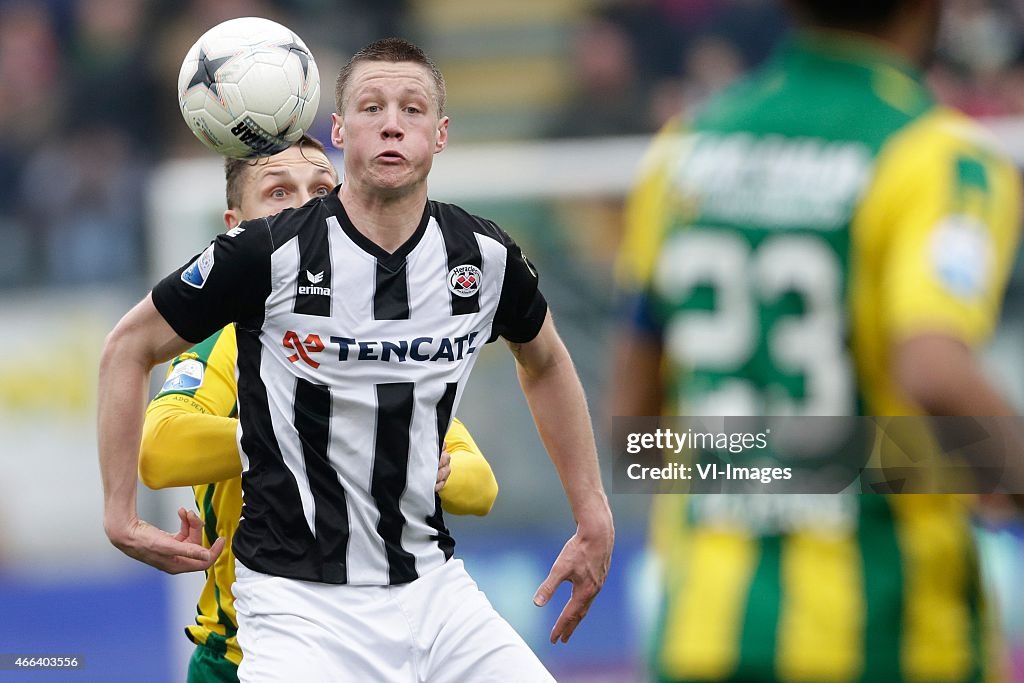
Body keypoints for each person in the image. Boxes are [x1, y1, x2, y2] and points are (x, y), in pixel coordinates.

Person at [98, 37, 614, 682]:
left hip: (433, 591)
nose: (392, 122)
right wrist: (120, 515)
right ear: (341, 130)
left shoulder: (482, 257)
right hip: (298, 606)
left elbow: (545, 363)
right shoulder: (265, 253)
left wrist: (591, 510)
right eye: (371, 107)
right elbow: (128, 347)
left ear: (441, 133)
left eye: (412, 108)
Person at [613, 1, 1021, 681]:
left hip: (704, 630)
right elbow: (934, 369)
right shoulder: (938, 153)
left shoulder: (684, 151)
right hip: (890, 638)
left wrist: (766, 462)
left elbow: (632, 433)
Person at [137, 134, 500, 683]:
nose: (305, 206)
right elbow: (158, 451)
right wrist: (283, 435)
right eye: (279, 192)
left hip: (370, 641)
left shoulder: (370, 339)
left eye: (320, 190)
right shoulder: (225, 342)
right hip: (243, 653)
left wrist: (440, 469)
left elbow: (482, 487)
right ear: (236, 226)